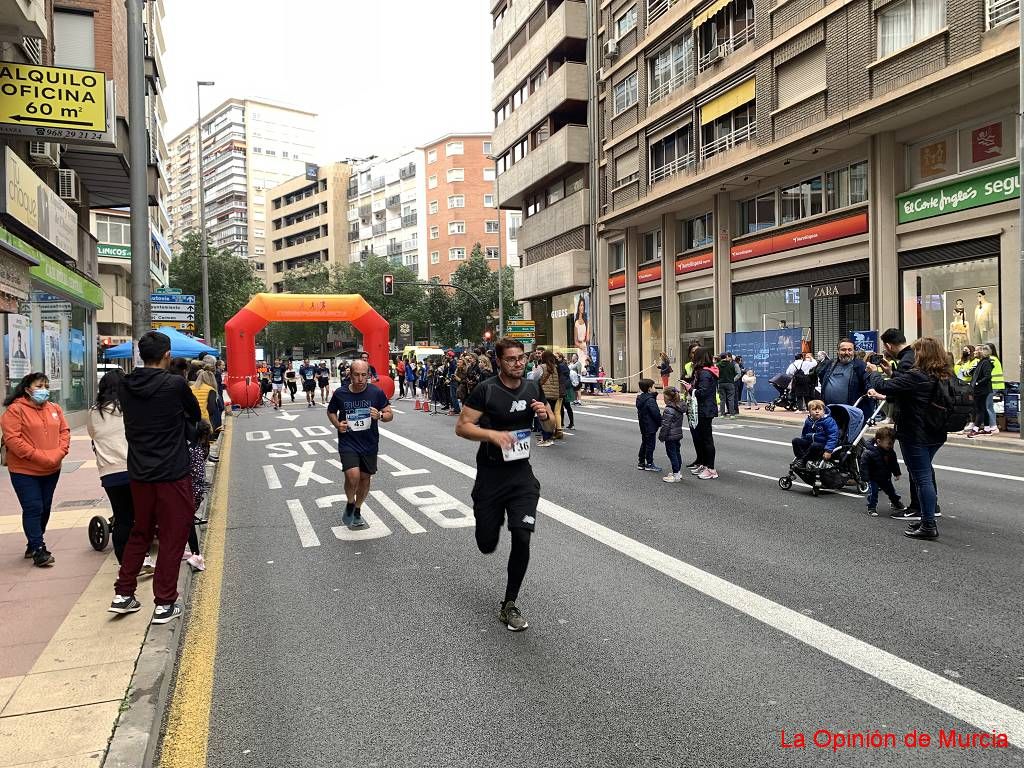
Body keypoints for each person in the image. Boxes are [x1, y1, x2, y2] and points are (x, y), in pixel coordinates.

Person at [455, 337, 554, 632]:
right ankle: (487, 519)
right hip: (491, 476)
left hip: (521, 477)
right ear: (500, 361)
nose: (518, 363)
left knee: (522, 537)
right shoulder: (487, 390)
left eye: (521, 358)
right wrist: (493, 435)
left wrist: (546, 416)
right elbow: (462, 426)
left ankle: (509, 603)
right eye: (511, 359)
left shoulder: (533, 387)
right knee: (487, 544)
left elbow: (551, 427)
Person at [108, 331, 201, 623]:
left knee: (141, 531)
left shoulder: (125, 385)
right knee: (174, 536)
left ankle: (123, 594)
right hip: (172, 472)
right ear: (167, 356)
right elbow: (194, 413)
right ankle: (164, 602)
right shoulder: (174, 384)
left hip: (139, 473)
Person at [868, 337, 951, 540]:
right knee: (924, 474)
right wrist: (892, 372)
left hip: (916, 433)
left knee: (921, 478)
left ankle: (929, 524)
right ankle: (926, 519)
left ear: (922, 353)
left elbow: (885, 388)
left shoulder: (917, 375)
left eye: (917, 351)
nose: (914, 355)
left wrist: (874, 372)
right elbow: (903, 386)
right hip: (936, 432)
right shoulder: (944, 375)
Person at [2, 372, 69, 567]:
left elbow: (64, 432)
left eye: (46, 385)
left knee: (45, 508)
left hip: (52, 468)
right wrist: (40, 456)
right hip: (25, 470)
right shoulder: (15, 411)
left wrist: (59, 452)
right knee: (33, 507)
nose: (44, 390)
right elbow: (13, 440)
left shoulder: (54, 408)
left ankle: (33, 542)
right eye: (39, 386)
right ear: (27, 389)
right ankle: (39, 549)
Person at [326, 359, 393, 528]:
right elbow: (331, 411)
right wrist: (337, 424)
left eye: (364, 375)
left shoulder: (376, 392)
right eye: (357, 375)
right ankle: (350, 501)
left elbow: (389, 414)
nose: (361, 379)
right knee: (353, 475)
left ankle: (357, 509)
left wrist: (380, 416)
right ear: (350, 375)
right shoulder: (341, 393)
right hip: (348, 442)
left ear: (368, 376)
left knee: (365, 479)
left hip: (369, 443)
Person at [88, 371, 134, 563]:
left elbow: (93, 436)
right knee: (138, 517)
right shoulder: (128, 408)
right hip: (132, 469)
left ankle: (124, 561)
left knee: (123, 518)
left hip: (108, 474)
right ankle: (141, 557)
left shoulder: (93, 412)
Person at [684, 349, 719, 479]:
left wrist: (690, 389)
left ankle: (711, 469)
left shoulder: (704, 373)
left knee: (706, 440)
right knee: (704, 439)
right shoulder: (707, 371)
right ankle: (705, 465)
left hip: (705, 409)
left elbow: (702, 393)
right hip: (705, 408)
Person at [859, 425, 905, 517]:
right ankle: (871, 507)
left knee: (891, 491)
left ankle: (896, 503)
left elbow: (893, 463)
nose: (891, 446)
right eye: (889, 443)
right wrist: (864, 478)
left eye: (892, 443)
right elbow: (864, 465)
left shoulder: (890, 451)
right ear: (879, 441)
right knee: (874, 493)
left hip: (885, 477)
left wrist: (897, 473)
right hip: (873, 477)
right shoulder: (869, 452)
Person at [816, 338, 870, 413]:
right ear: (837, 351)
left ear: (854, 351)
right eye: (843, 350)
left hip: (851, 412)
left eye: (850, 350)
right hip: (829, 411)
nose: (847, 352)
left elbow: (868, 385)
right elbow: (822, 378)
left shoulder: (861, 366)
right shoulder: (829, 364)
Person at [791, 400, 840, 467]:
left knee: (815, 445)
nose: (817, 411)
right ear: (809, 411)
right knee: (795, 440)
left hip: (823, 445)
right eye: (814, 409)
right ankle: (801, 458)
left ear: (824, 411)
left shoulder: (828, 421)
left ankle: (803, 461)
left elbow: (833, 436)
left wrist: (828, 451)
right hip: (811, 443)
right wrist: (803, 443)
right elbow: (804, 434)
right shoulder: (809, 421)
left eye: (820, 409)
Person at [968, 344, 998, 436]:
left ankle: (976, 429)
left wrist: (977, 383)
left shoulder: (986, 362)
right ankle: (987, 428)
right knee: (983, 409)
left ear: (982, 351)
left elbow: (987, 376)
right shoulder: (981, 362)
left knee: (979, 409)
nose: (974, 352)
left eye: (977, 350)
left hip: (982, 390)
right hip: (980, 389)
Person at [635, 378, 663, 472]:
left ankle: (641, 462)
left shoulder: (641, 398)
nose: (655, 388)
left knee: (644, 443)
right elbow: (655, 413)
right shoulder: (650, 400)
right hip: (650, 426)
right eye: (654, 386)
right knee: (650, 445)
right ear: (649, 389)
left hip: (643, 425)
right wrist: (660, 422)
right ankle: (649, 463)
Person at [658, 386, 685, 482]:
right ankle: (678, 472)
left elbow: (665, 425)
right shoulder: (679, 406)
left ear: (668, 397)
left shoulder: (669, 409)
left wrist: (662, 437)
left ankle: (676, 474)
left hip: (670, 435)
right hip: (677, 434)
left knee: (672, 453)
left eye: (664, 396)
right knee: (677, 452)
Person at [538, 350, 564, 444]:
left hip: (544, 394)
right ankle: (550, 436)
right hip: (554, 394)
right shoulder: (555, 367)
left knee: (544, 416)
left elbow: (534, 378)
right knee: (551, 414)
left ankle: (545, 437)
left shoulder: (542, 367)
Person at [717, 354, 738, 419]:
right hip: (730, 383)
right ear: (726, 357)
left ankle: (722, 414)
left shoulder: (718, 365)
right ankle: (732, 414)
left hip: (721, 383)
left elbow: (716, 374)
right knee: (731, 399)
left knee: (722, 399)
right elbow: (735, 373)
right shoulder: (731, 364)